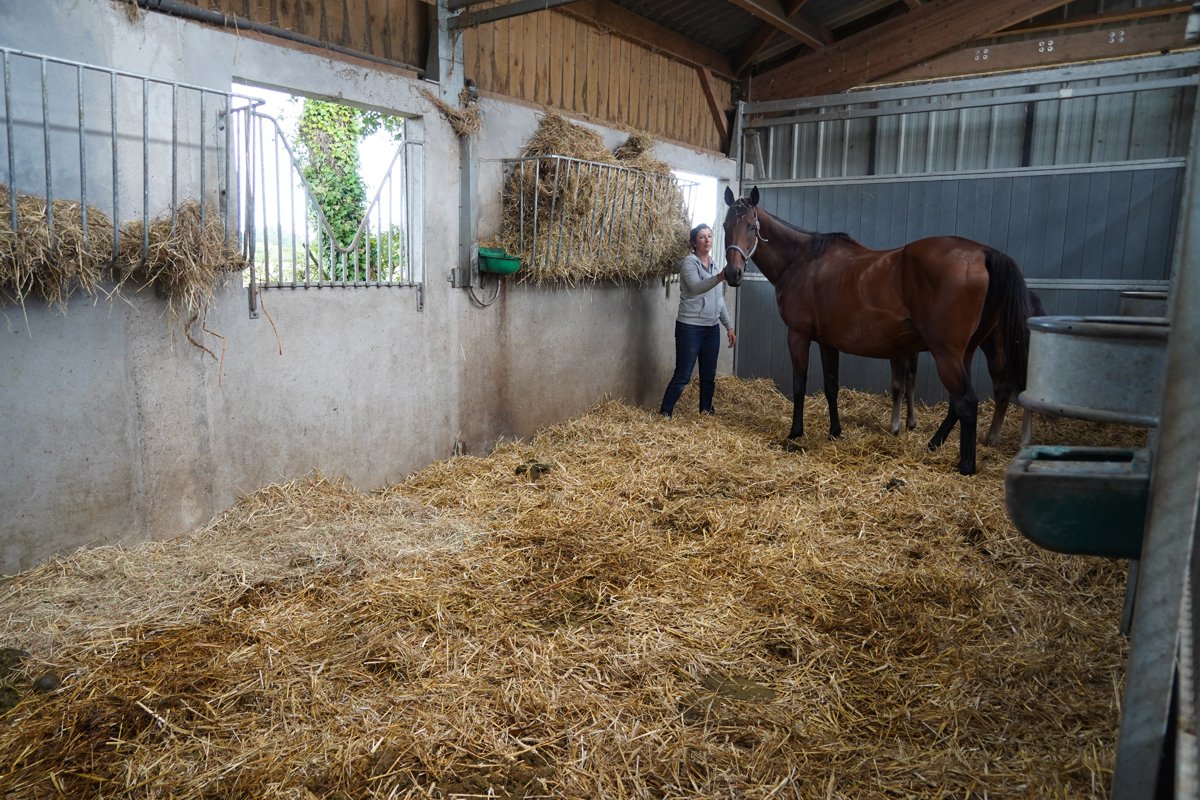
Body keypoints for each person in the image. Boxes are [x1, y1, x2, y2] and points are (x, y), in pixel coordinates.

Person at [659, 223, 737, 417]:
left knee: (708, 375)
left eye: (709, 236)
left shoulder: (714, 264)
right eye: (702, 237)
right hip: (690, 327)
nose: (707, 240)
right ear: (694, 242)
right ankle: (665, 413)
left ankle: (706, 410)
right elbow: (695, 287)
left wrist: (728, 326)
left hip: (711, 329)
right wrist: (719, 277)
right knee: (683, 374)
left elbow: (719, 300)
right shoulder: (689, 263)